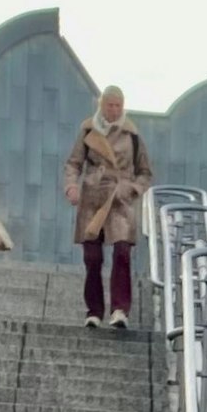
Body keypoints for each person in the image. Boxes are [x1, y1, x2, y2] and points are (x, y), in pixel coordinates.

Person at [62, 85, 154, 330]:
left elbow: (145, 172)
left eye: (118, 105)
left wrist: (133, 188)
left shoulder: (132, 134)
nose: (114, 110)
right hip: (92, 196)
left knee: (122, 251)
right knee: (92, 256)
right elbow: (73, 163)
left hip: (120, 198)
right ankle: (94, 310)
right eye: (109, 105)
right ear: (101, 105)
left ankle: (120, 309)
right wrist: (71, 186)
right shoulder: (87, 130)